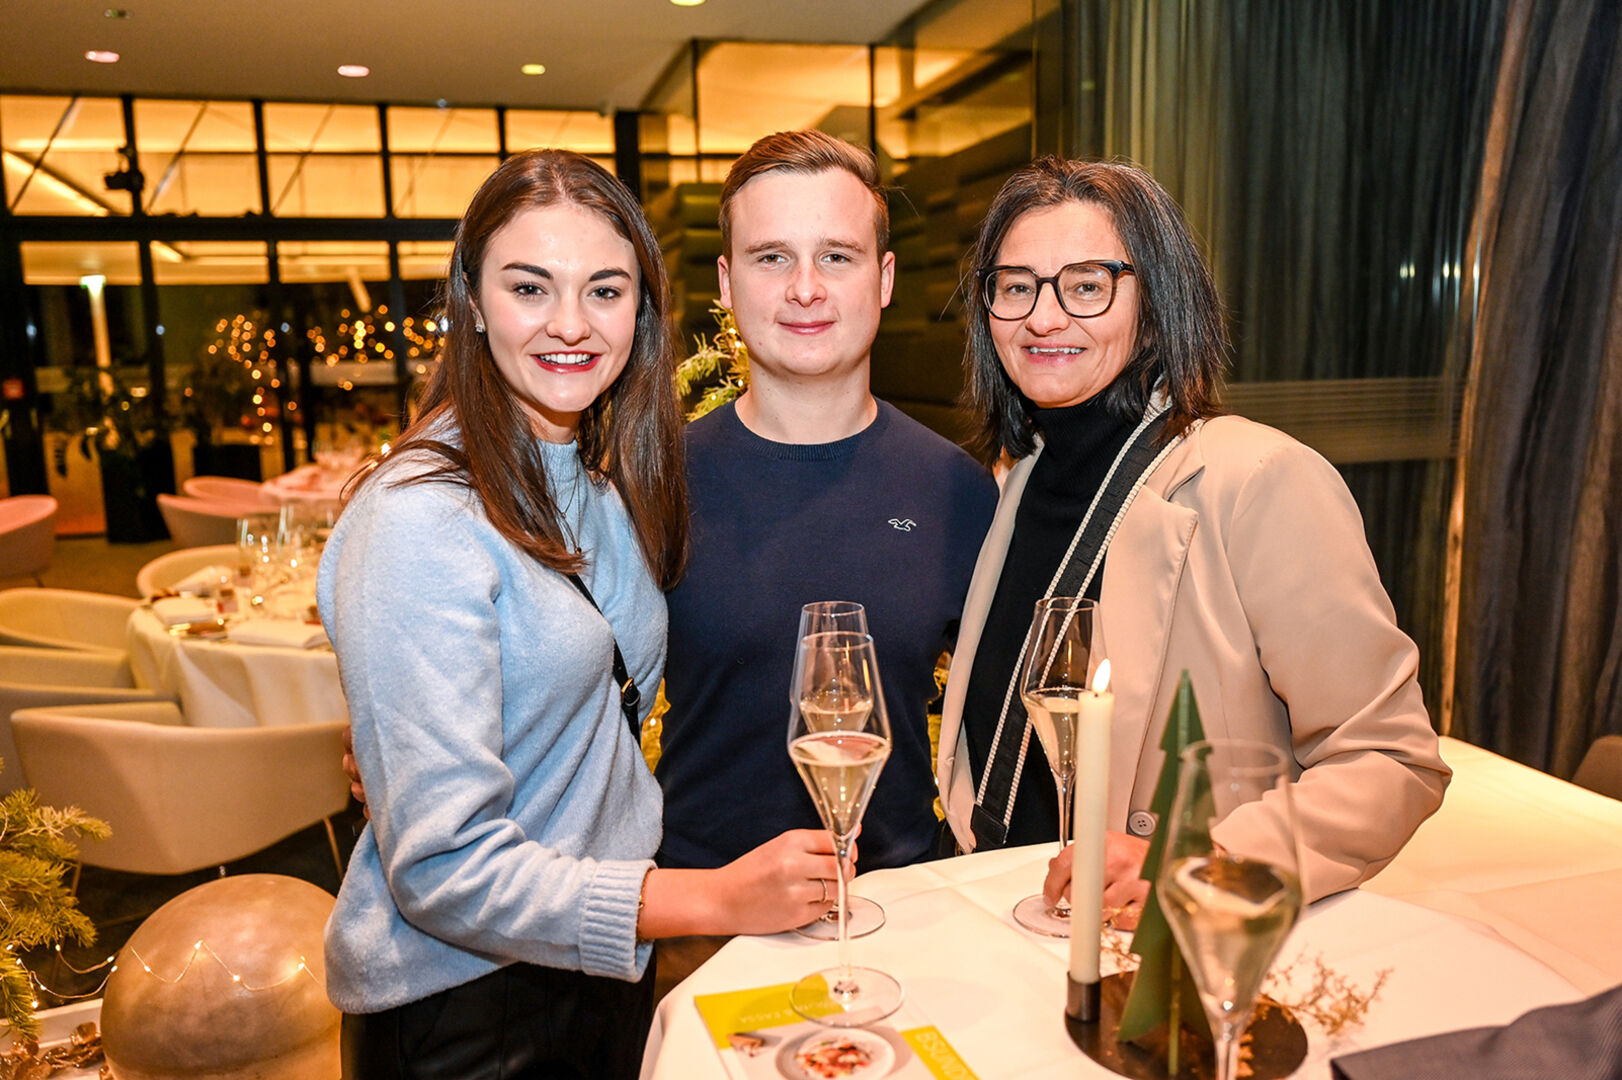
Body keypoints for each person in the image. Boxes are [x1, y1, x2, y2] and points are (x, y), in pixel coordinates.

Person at [321, 149, 841, 1080]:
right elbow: (442, 869)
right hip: (462, 1006)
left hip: (599, 968)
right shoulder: (418, 517)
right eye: (531, 287)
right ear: (473, 300)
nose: (570, 325)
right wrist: (709, 901)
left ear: (640, 311)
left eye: (605, 290)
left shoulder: (596, 481)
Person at [935, 157, 1450, 923]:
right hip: (1005, 926)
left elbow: (1390, 759)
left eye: (1086, 284)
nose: (1043, 318)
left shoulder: (1257, 479)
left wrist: (1196, 867)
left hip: (1166, 946)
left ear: (1157, 301)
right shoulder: (1008, 484)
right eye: (1016, 287)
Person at [655, 130, 999, 875]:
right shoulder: (654, 484)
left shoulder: (956, 490)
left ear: (883, 278)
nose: (804, 287)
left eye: (836, 257)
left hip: (898, 918)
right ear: (725, 281)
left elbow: (1008, 727)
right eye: (771, 257)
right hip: (700, 924)